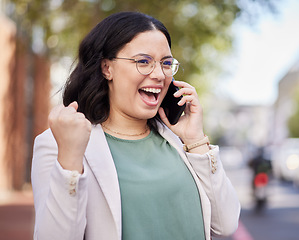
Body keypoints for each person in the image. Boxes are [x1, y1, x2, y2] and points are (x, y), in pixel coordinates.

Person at [31, 11, 240, 240]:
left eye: (166, 63)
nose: (159, 74)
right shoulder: (57, 144)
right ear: (106, 68)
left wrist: (195, 139)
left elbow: (226, 224)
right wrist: (70, 158)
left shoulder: (180, 143)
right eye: (144, 62)